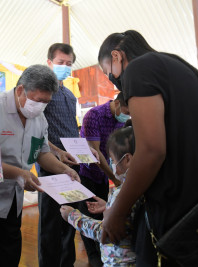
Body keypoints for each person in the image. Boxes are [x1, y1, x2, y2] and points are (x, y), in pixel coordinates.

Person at [97, 30, 198, 266]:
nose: (114, 81)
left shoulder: (139, 68)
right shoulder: (181, 67)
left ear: (116, 56)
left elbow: (152, 150)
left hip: (179, 214)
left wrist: (118, 211)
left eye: (109, 73)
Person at [0, 64, 80, 267]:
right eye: (38, 100)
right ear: (21, 89)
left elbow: (41, 152)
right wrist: (19, 174)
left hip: (13, 201)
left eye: (46, 102)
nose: (41, 106)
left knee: (10, 257)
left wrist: (64, 169)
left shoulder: (38, 117)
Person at [60, 126, 137, 267]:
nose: (112, 165)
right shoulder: (141, 188)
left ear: (127, 160)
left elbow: (103, 232)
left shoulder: (123, 193)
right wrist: (109, 205)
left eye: (113, 161)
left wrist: (72, 216)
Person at [38, 43, 81, 267]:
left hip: (74, 165)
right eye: (60, 63)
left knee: (69, 218)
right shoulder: (42, 92)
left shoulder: (71, 96)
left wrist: (84, 149)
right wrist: (57, 152)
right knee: (50, 222)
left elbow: (72, 129)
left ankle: (67, 263)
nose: (65, 67)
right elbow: (37, 132)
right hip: (50, 163)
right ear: (49, 63)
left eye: (68, 63)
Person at [77, 92, 129, 266]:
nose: (128, 115)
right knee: (87, 214)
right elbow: (95, 154)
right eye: (127, 110)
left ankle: (102, 254)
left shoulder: (122, 120)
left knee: (103, 213)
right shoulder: (94, 115)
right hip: (88, 172)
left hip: (107, 173)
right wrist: (116, 178)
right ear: (118, 103)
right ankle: (93, 259)